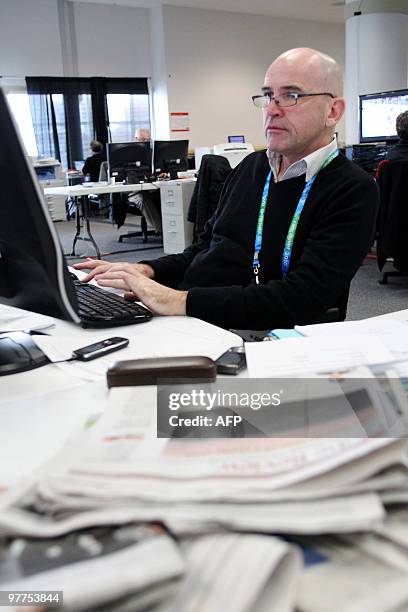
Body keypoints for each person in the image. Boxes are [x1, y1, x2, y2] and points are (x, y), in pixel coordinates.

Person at [75, 47, 379, 331]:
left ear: (333, 111)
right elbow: (205, 248)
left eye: (291, 96)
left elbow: (302, 298)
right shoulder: (251, 167)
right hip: (192, 315)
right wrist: (146, 271)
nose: (272, 109)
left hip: (252, 332)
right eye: (267, 96)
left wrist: (175, 301)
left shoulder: (352, 189)